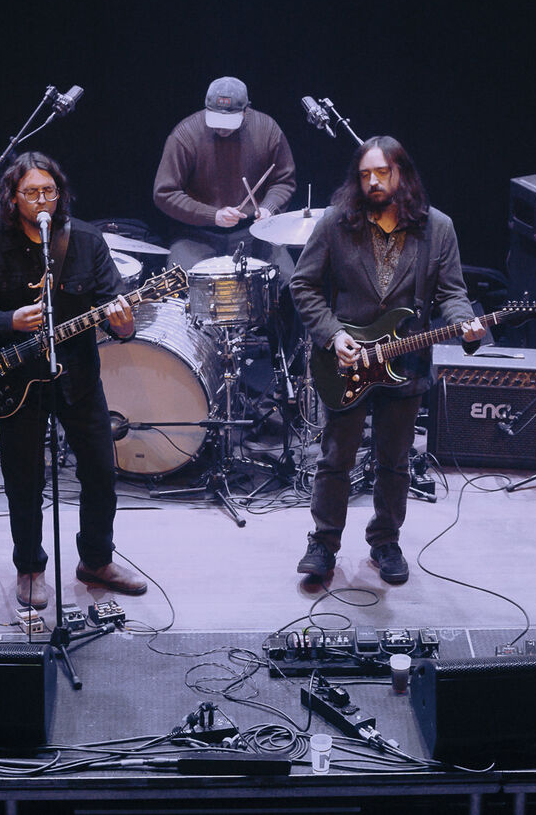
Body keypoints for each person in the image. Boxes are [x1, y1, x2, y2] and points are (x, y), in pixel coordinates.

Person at [0, 151, 147, 610]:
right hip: (14, 382)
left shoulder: (86, 241)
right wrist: (9, 321)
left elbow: (114, 309)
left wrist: (123, 324)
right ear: (12, 197)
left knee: (100, 471)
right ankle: (30, 568)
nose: (42, 201)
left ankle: (96, 560)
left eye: (49, 191)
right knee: (24, 480)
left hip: (77, 376)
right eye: (31, 193)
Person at [290, 136, 485, 584]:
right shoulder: (336, 222)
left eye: (382, 172)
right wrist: (333, 334)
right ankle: (323, 543)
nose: (373, 182)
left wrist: (466, 323)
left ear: (403, 173)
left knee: (395, 460)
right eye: (365, 175)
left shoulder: (438, 228)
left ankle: (385, 541)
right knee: (335, 457)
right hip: (347, 360)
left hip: (405, 362)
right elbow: (303, 284)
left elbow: (453, 293)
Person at [152, 76, 297, 274]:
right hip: (196, 234)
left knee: (287, 278)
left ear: (245, 111)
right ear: (206, 109)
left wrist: (268, 208)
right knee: (181, 281)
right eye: (215, 120)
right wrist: (213, 215)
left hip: (253, 231)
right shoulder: (185, 135)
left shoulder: (268, 129)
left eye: (229, 122)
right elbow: (164, 193)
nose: (221, 128)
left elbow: (283, 181)